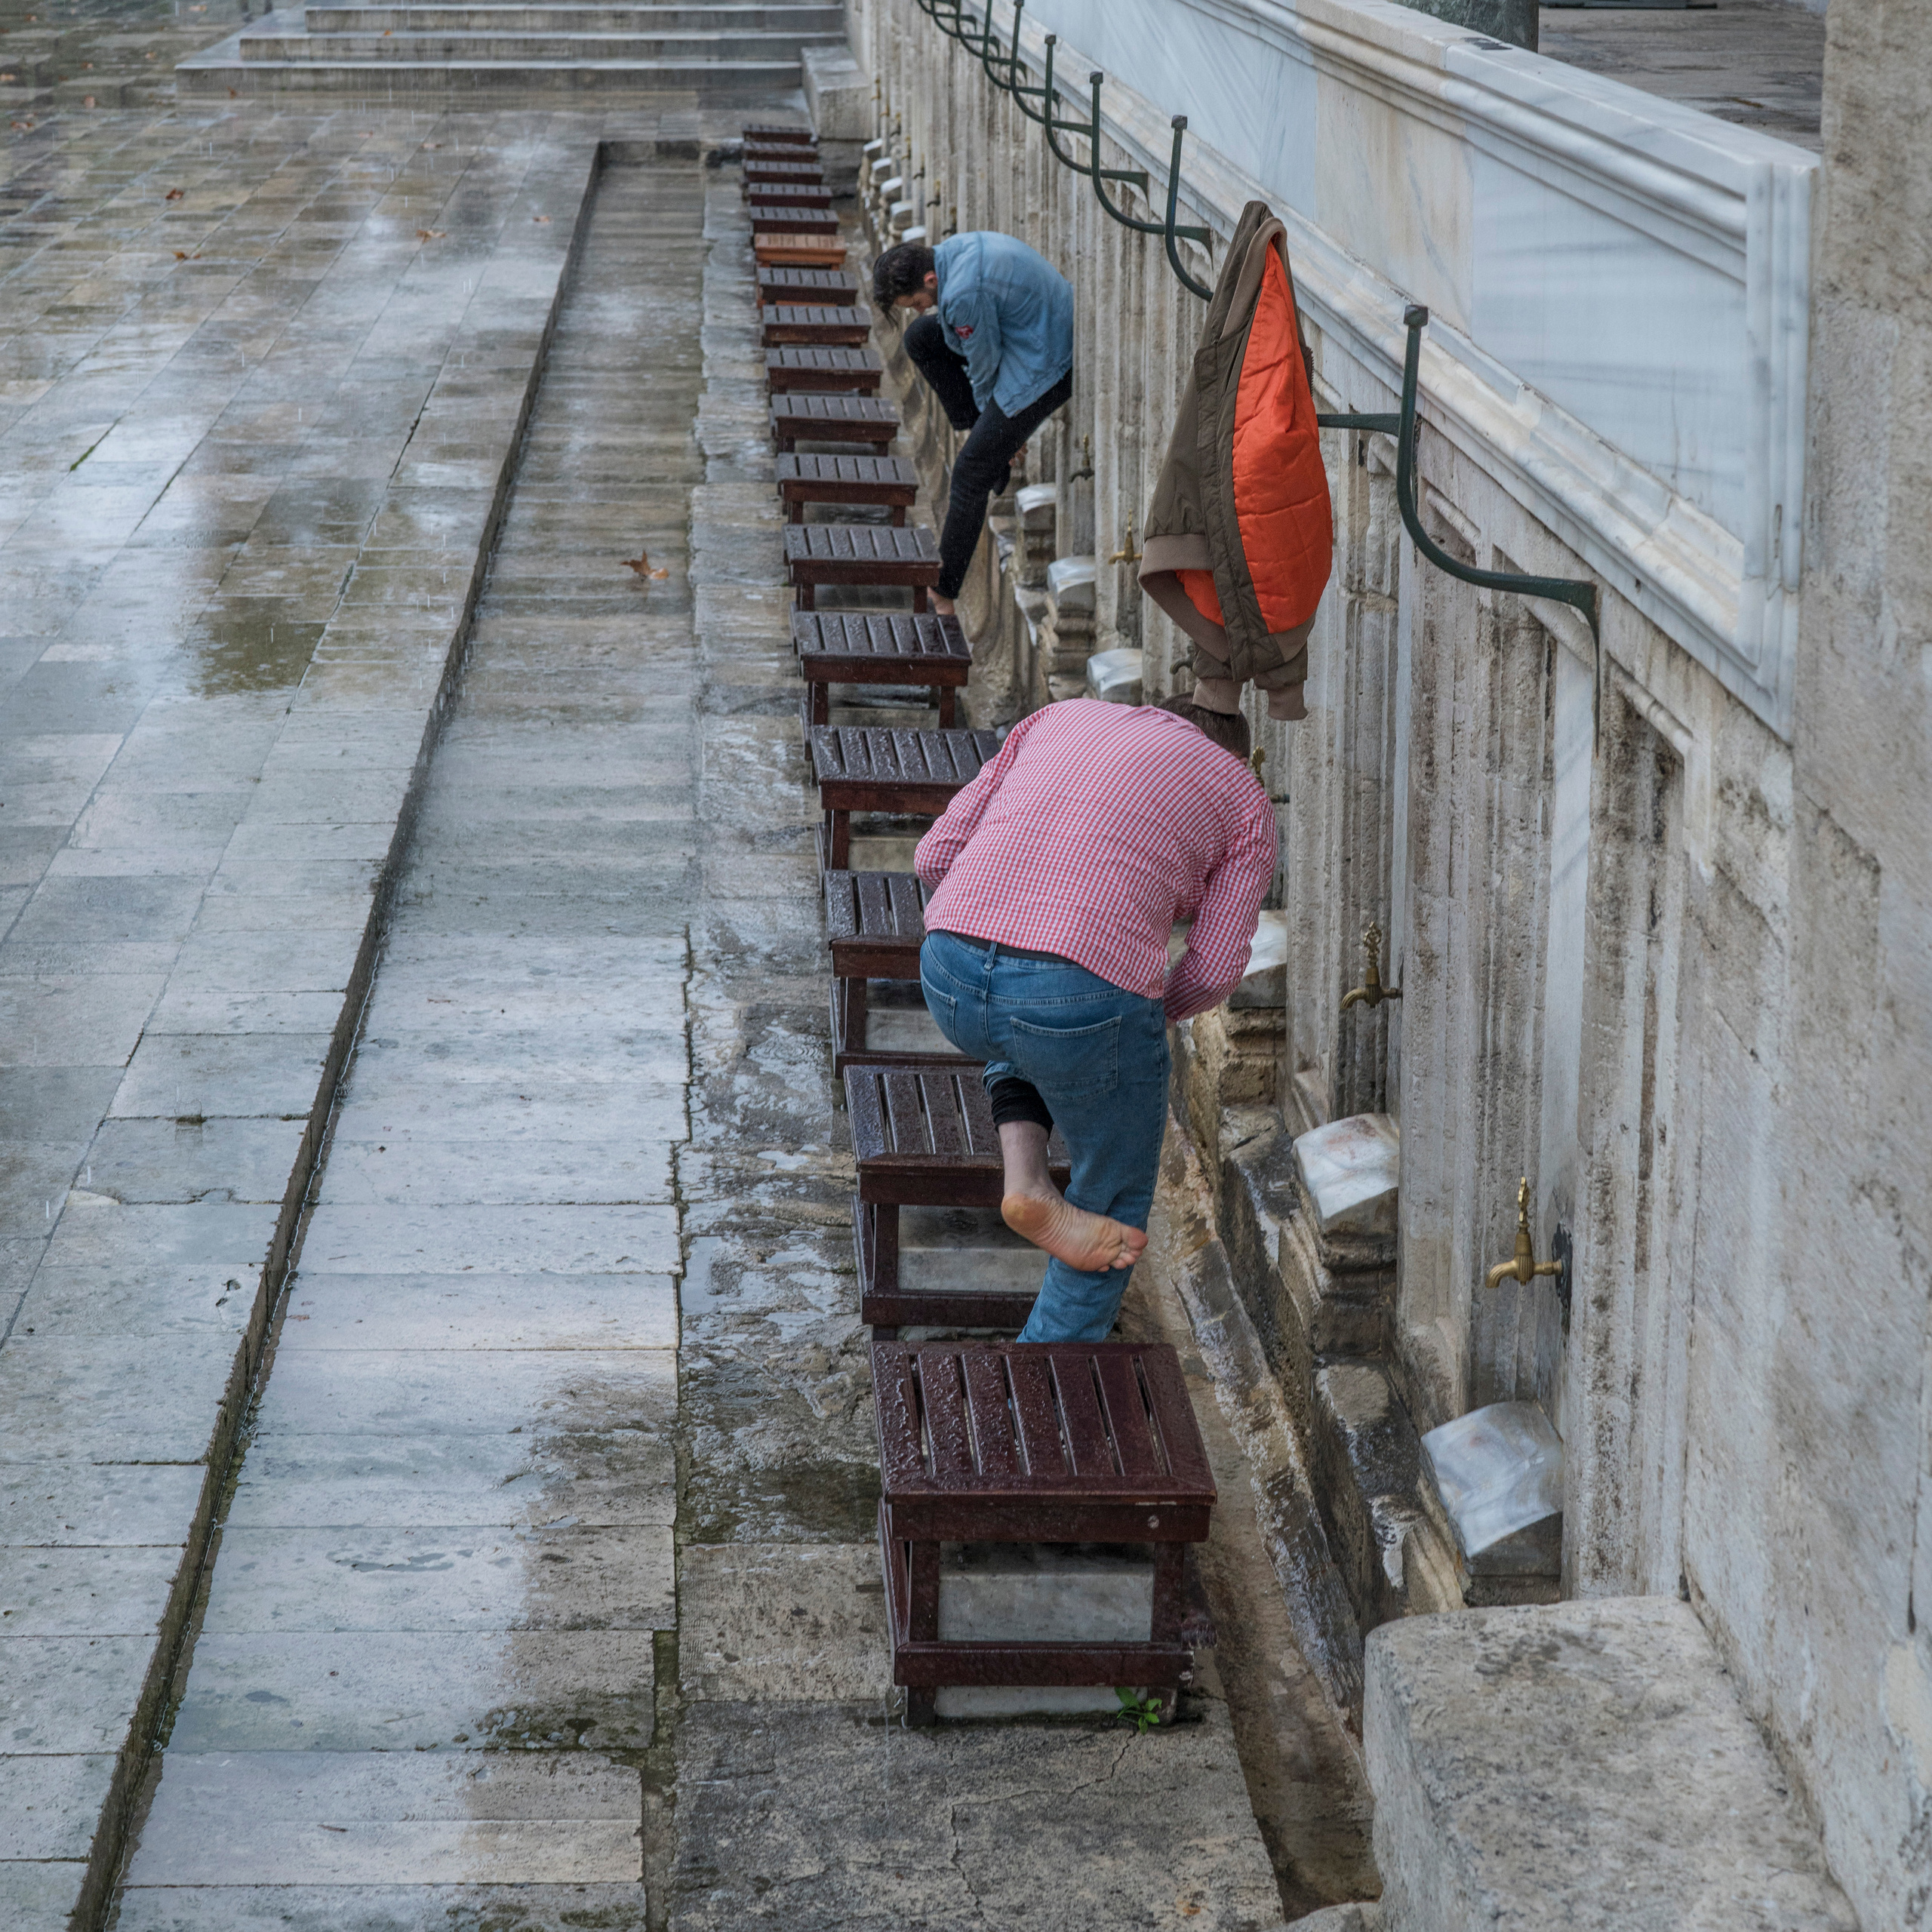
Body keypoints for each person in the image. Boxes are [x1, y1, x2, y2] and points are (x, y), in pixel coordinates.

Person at [915, 695, 1276, 1344]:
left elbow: (934, 856)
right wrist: (1128, 1017)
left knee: (1023, 1027)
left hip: (947, 970)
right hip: (1077, 999)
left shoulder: (1060, 718)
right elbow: (1216, 968)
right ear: (1234, 752)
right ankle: (1050, 1387)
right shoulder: (1242, 795)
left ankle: (1026, 1184)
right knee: (1114, 1200)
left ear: (1151, 714)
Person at [873, 234, 1074, 617]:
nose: (919, 309)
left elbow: (984, 366)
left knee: (968, 475)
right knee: (919, 337)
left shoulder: (963, 294)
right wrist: (987, 428)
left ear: (930, 279)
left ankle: (944, 592)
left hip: (1047, 362)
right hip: (1026, 334)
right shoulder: (954, 253)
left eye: (917, 302)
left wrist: (991, 426)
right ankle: (986, 441)